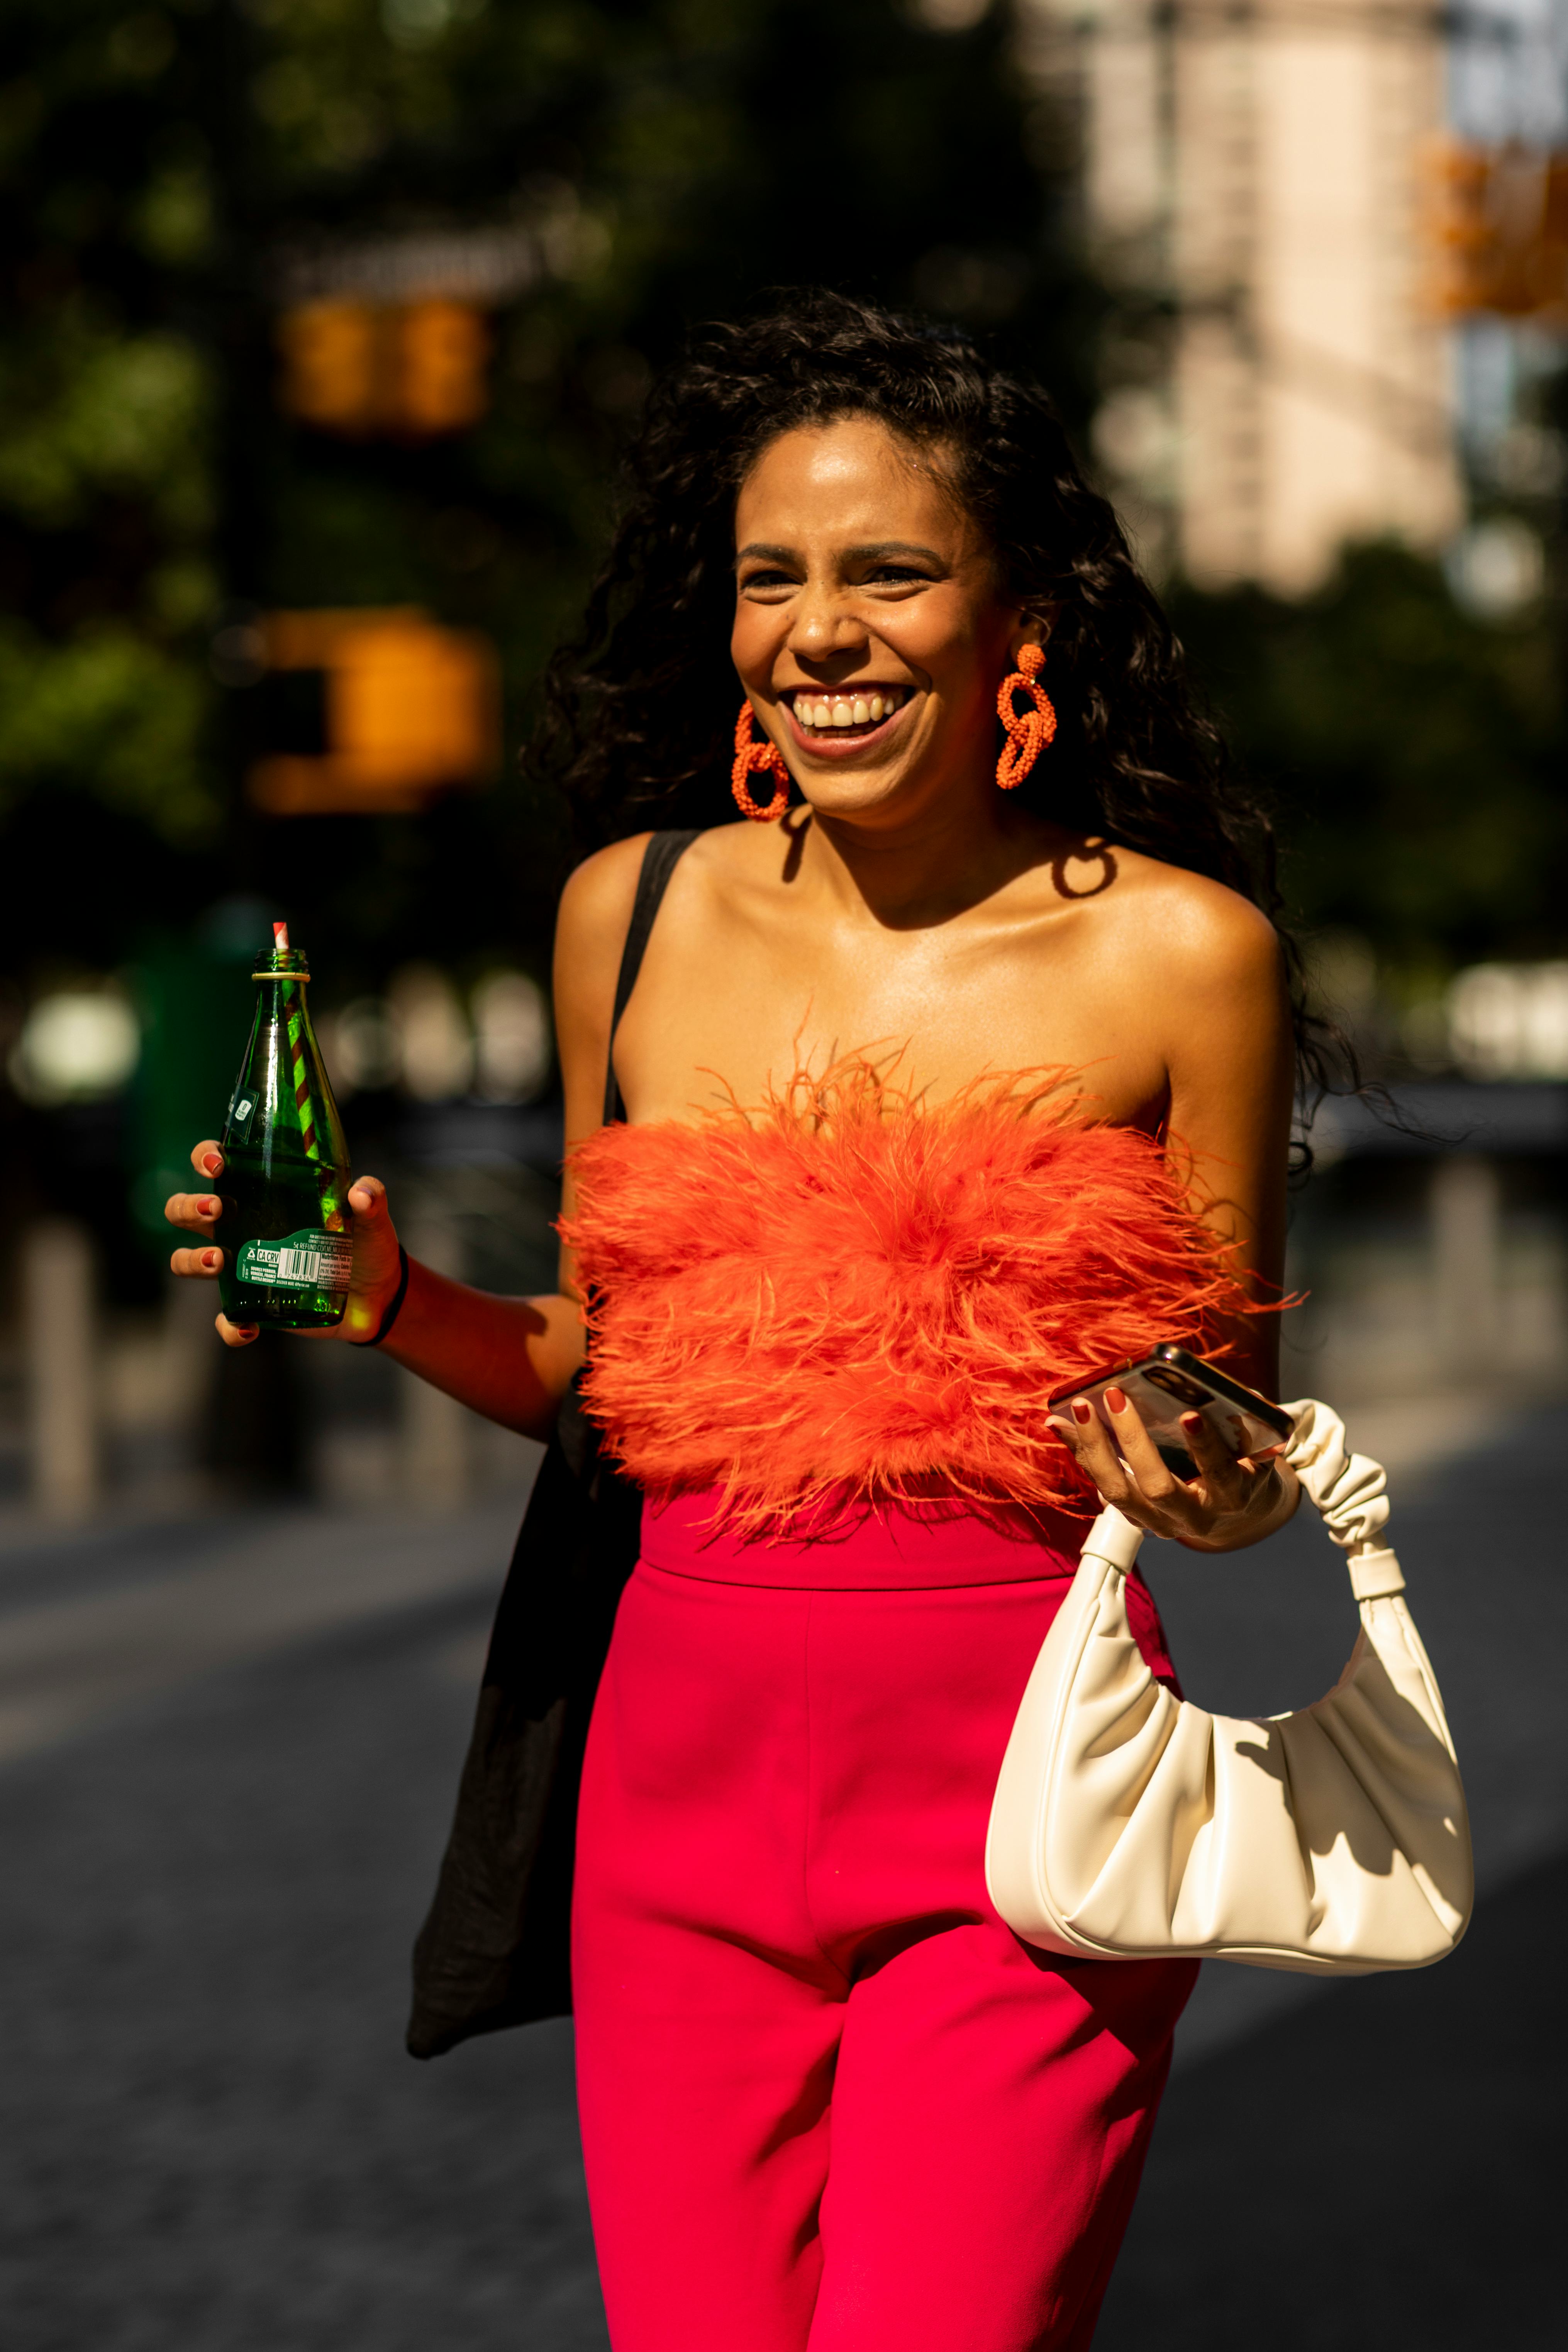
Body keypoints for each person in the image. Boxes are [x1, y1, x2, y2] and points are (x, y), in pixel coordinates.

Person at [168, 292, 1308, 2350]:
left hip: (1027, 1816)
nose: (821, 632)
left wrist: (1185, 1439)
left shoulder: (1186, 955)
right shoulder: (631, 911)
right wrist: (391, 1298)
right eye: (772, 578)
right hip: (672, 1806)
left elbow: (1248, 1470)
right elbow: (598, 1378)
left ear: (1016, 614)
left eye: (889, 572)